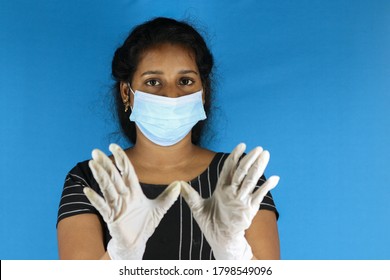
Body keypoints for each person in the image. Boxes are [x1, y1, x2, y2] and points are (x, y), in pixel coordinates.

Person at [56, 17, 280, 260]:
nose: (171, 95)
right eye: (153, 82)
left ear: (202, 92)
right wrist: (120, 254)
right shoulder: (88, 180)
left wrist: (236, 254)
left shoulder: (240, 178)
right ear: (126, 92)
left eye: (185, 81)